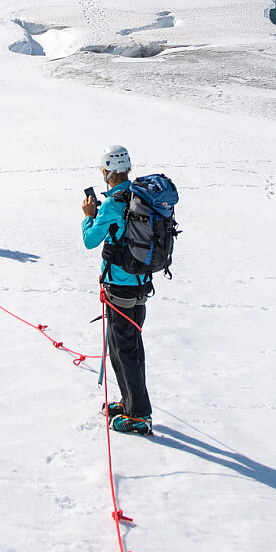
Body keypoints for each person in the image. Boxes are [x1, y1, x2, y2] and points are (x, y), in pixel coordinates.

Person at [81, 144, 153, 436]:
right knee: (125, 347)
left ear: (106, 171)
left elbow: (90, 240)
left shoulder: (113, 204)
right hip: (140, 285)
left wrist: (89, 215)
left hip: (119, 287)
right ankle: (129, 402)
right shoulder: (139, 196)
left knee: (125, 351)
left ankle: (140, 415)